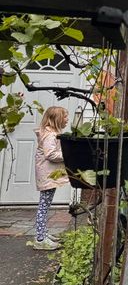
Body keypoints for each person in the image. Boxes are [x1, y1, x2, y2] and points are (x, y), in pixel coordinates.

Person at [28, 106, 69, 251]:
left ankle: (43, 233)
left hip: (48, 174)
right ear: (57, 119)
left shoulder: (50, 133)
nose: (67, 120)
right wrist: (68, 156)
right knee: (44, 206)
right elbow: (50, 154)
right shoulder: (50, 135)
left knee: (45, 205)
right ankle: (40, 239)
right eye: (65, 117)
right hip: (47, 174)